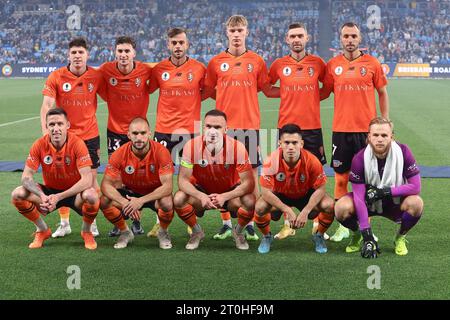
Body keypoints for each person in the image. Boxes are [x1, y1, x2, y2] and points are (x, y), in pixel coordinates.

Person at [203, 15, 278, 241]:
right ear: (227, 33)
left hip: (249, 129)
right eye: (233, 30)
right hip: (223, 130)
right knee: (222, 178)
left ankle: (250, 224)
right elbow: (208, 90)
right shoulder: (216, 62)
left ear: (247, 32)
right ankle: (226, 223)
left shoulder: (256, 61)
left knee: (251, 178)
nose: (236, 34)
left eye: (240, 30)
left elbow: (265, 89)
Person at [321, 22, 389, 242]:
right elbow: (323, 93)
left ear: (359, 39)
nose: (349, 40)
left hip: (366, 133)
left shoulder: (372, 63)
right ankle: (344, 224)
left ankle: (364, 221)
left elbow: (382, 92)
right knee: (341, 179)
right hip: (340, 131)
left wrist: (384, 121)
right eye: (345, 36)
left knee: (366, 181)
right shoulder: (333, 65)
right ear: (340, 39)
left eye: (353, 36)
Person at [268, 22, 330, 240]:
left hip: (312, 128)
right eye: (292, 36)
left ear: (307, 38)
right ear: (287, 39)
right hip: (286, 128)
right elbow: (267, 89)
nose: (296, 39)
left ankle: (315, 224)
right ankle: (287, 223)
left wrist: (311, 96)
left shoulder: (318, 63)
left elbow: (327, 88)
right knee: (284, 176)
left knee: (314, 176)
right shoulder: (278, 64)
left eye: (300, 36)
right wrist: (286, 92)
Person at [40, 37, 104, 238]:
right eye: (74, 53)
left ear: (87, 55)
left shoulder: (96, 76)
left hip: (90, 136)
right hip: (63, 138)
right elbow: (47, 105)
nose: (77, 56)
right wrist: (46, 133)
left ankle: (91, 223)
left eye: (81, 53)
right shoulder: (57, 76)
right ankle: (65, 223)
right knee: (60, 181)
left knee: (92, 181)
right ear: (68, 55)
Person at [148, 27, 207, 237]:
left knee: (189, 180)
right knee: (160, 180)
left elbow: (207, 91)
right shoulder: (159, 69)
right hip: (163, 131)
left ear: (188, 44)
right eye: (174, 43)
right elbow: (148, 90)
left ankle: (191, 223)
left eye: (181, 42)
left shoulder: (199, 68)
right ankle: (160, 223)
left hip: (189, 133)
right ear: (168, 45)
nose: (178, 46)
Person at [11, 108, 99, 250]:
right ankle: (42, 230)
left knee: (92, 195)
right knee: (17, 194)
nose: (56, 128)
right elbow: (26, 177)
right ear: (46, 126)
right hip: (49, 193)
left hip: (73, 193)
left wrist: (59, 197)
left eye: (60, 124)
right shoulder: (39, 144)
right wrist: (42, 195)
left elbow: (87, 180)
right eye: (52, 125)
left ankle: (86, 232)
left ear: (68, 125)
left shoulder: (77, 143)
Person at [334, 117, 423, 258]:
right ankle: (358, 236)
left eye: (384, 135)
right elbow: (358, 197)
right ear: (369, 137)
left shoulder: (403, 151)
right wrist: (367, 234)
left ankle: (400, 237)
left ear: (391, 137)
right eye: (375, 135)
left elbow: (415, 187)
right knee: (341, 208)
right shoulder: (359, 158)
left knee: (416, 203)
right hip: (369, 201)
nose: (379, 139)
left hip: (394, 201)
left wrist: (385, 191)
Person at [174, 110, 255, 250]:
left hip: (229, 193)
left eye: (217, 127)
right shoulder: (191, 146)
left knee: (250, 201)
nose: (212, 131)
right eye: (208, 126)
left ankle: (238, 232)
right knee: (179, 198)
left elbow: (249, 183)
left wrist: (225, 196)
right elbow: (182, 180)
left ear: (226, 129)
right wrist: (201, 195)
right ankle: (196, 232)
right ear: (203, 128)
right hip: (202, 191)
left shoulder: (238, 147)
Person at [99, 36, 153, 237]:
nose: (123, 55)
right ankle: (119, 221)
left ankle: (137, 221)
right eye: (120, 51)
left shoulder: (146, 70)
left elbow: (154, 86)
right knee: (117, 181)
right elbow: (99, 89)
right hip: (115, 131)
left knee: (139, 178)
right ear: (115, 52)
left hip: (139, 133)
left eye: (127, 51)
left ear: (134, 53)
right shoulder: (106, 69)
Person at [254, 124, 334, 254]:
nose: (290, 146)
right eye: (286, 142)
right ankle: (267, 236)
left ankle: (318, 236)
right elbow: (265, 192)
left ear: (301, 143)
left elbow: (321, 189)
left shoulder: (312, 161)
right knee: (260, 207)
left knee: (329, 205)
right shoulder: (271, 160)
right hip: (280, 194)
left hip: (304, 194)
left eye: (294, 142)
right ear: (280, 143)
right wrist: (286, 209)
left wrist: (306, 211)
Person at [100, 117, 174, 249]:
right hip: (129, 193)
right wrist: (124, 202)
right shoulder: (119, 153)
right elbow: (105, 185)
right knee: (104, 200)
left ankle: (163, 232)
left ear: (149, 134)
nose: (139, 137)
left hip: (153, 192)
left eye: (143, 133)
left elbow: (168, 187)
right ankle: (125, 232)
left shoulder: (162, 152)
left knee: (167, 202)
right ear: (128, 135)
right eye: (135, 133)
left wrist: (140, 201)